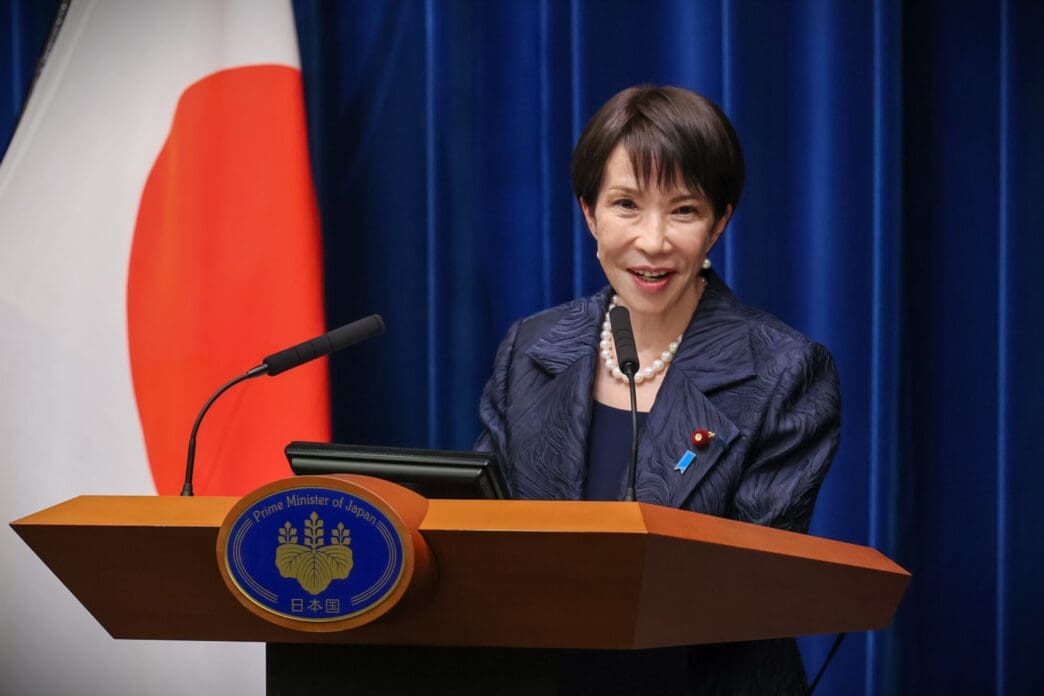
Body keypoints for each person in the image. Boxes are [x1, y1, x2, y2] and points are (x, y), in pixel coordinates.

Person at [475, 85, 841, 694]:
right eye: (626, 205)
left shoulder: (785, 372)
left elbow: (749, 583)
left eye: (684, 211)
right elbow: (482, 534)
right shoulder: (531, 350)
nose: (652, 241)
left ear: (720, 223)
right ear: (589, 212)